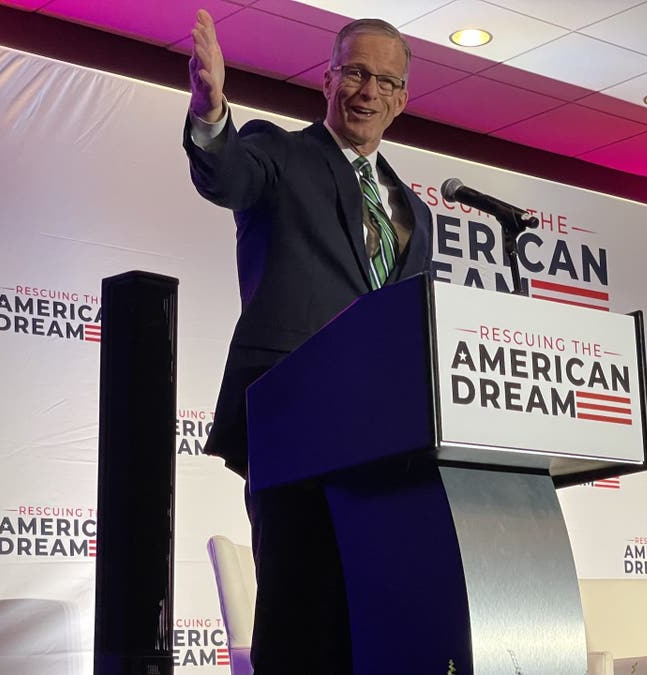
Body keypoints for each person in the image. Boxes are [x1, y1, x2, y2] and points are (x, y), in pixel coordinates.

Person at [183, 8, 433, 673]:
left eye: (384, 80)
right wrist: (211, 113)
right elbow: (227, 171)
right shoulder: (282, 155)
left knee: (375, 628)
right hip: (296, 433)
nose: (367, 91)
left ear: (402, 98)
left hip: (385, 451)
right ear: (327, 78)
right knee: (301, 620)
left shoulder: (415, 212)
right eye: (354, 72)